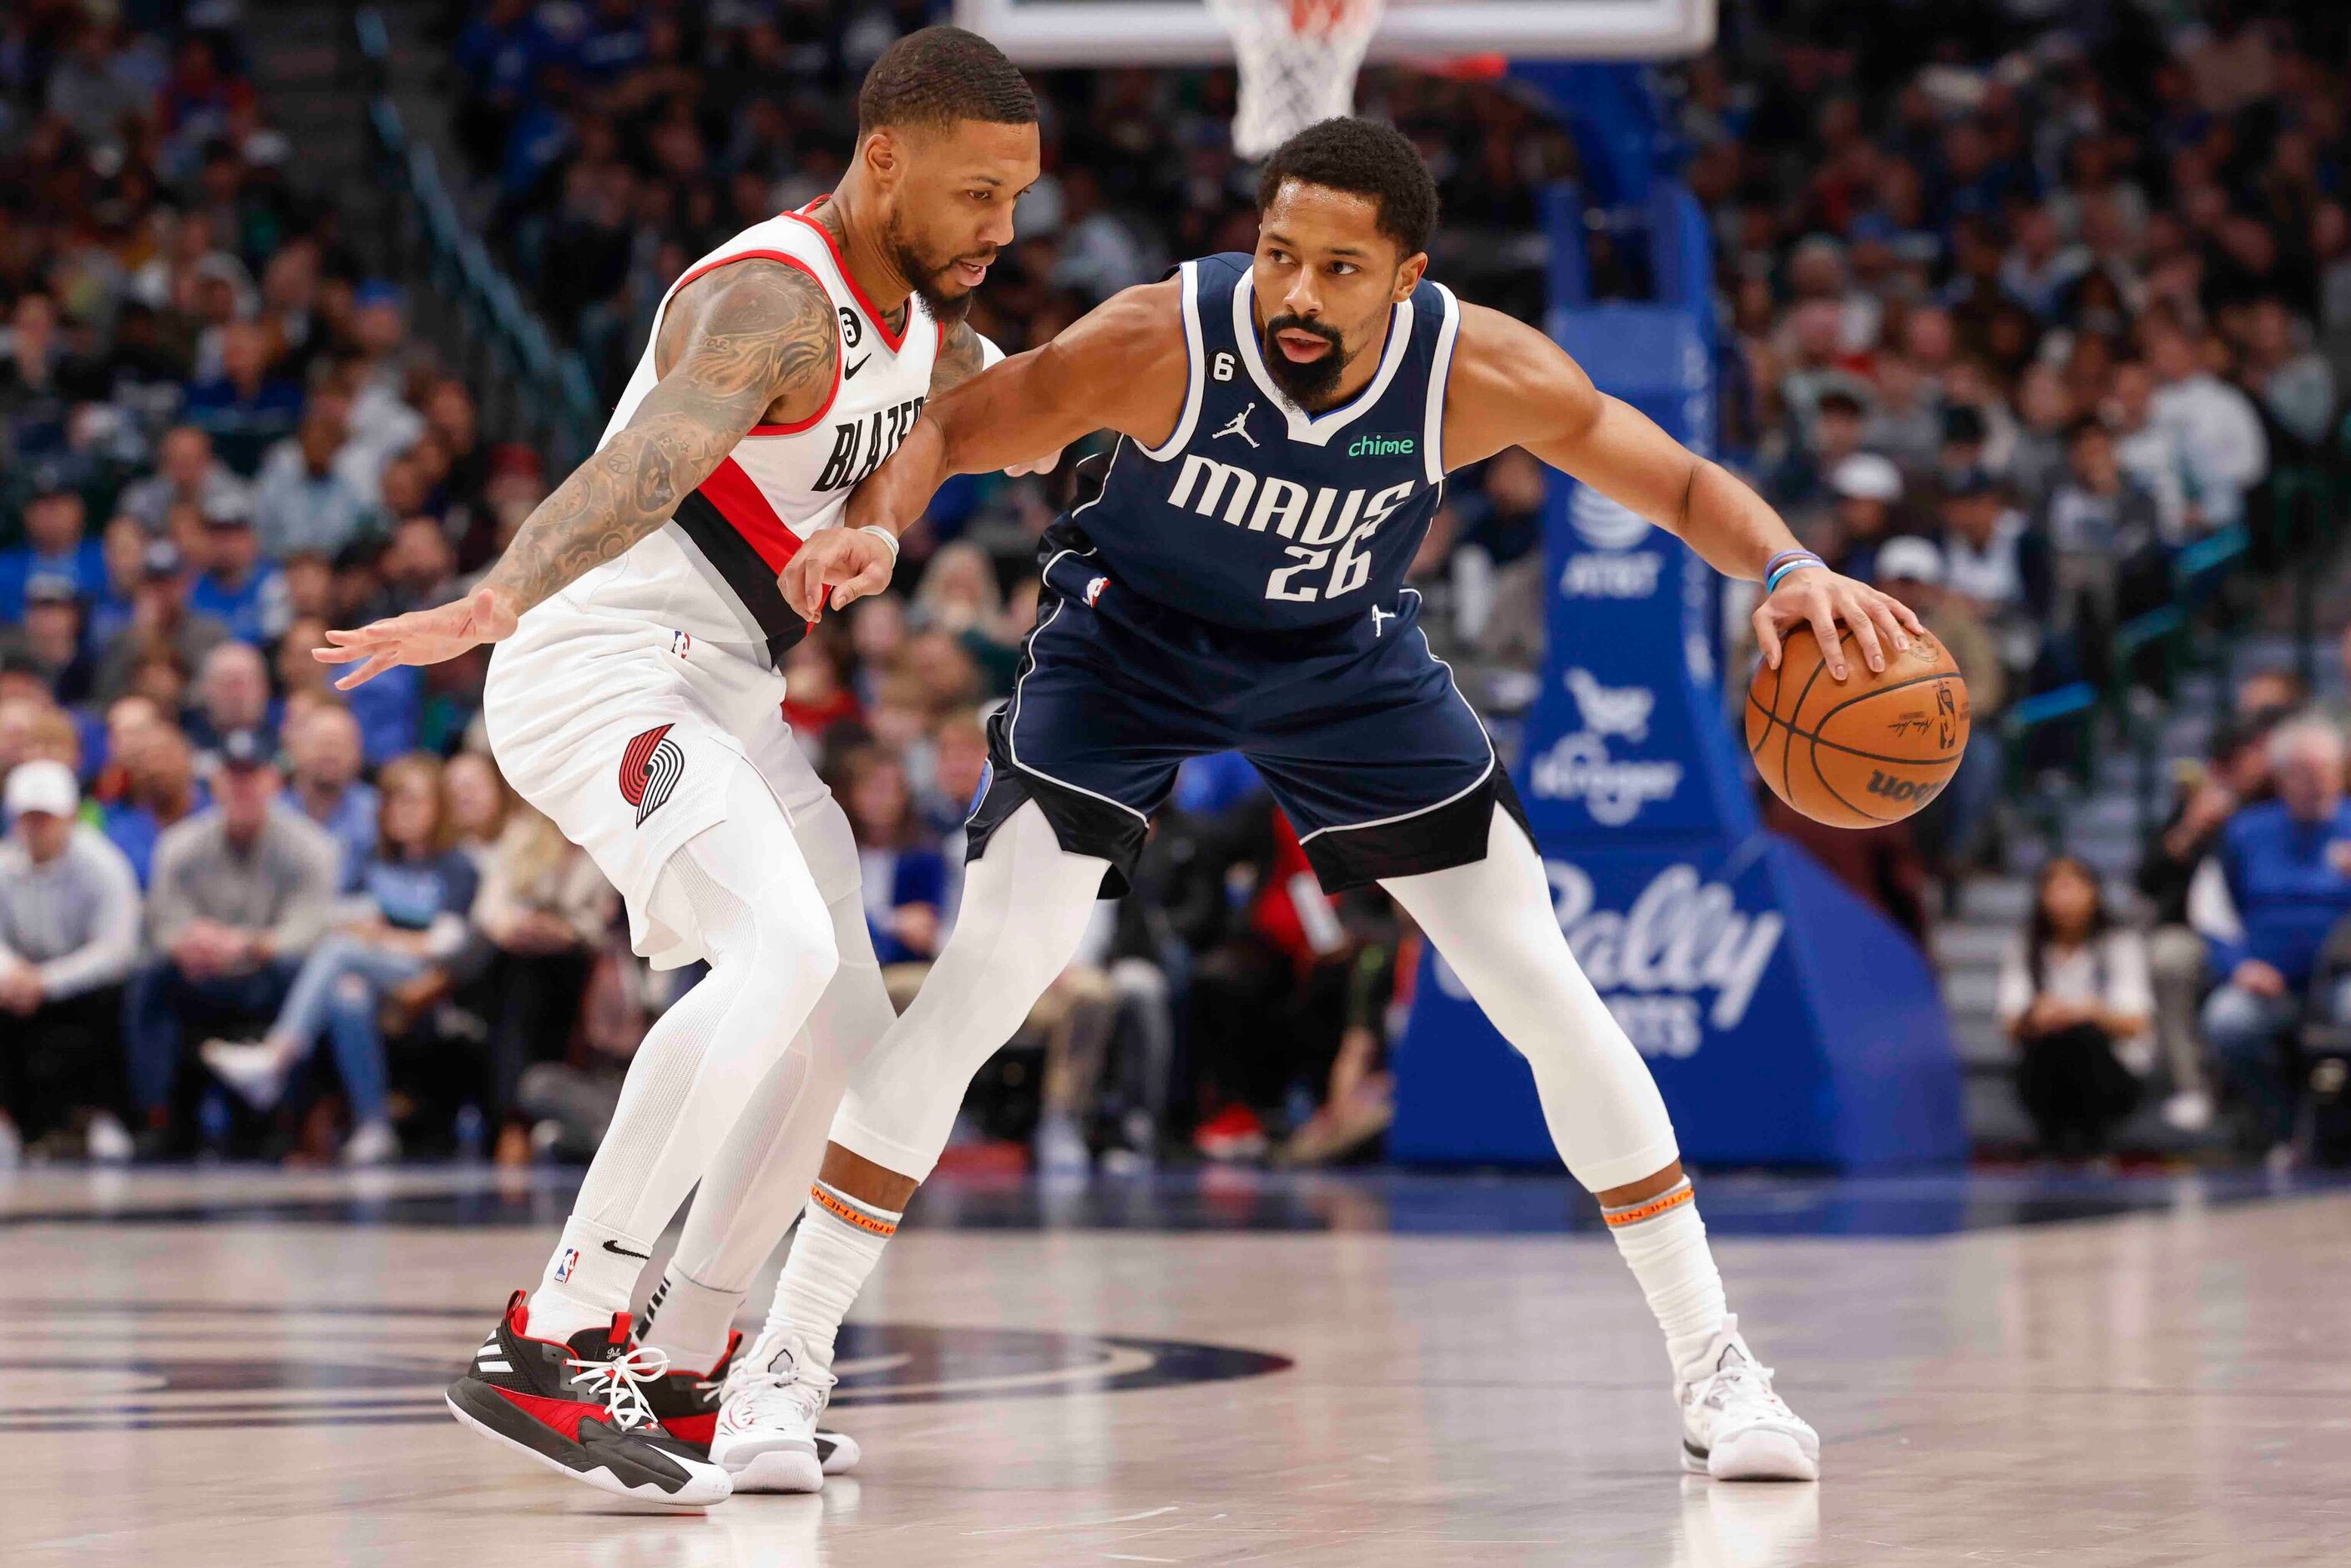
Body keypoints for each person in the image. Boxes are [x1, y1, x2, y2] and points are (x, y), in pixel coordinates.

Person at [769, 118, 1928, 1485]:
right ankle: (784, 1366)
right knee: (988, 977)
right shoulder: (1162, 337)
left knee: (1541, 982)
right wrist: (884, 524)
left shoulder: (1473, 372)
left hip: (1342, 660)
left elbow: (1665, 477)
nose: (1299, 293)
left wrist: (1786, 563)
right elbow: (962, 421)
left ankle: (1715, 1364)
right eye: (1277, 256)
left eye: (1337, 267)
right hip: (1127, 647)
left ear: (1407, 274)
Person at [311, 26, 1046, 1502]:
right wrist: (500, 592)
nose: (999, 229)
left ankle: (688, 1359)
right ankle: (556, 1327)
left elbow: (997, 419)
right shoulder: (777, 298)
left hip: (728, 689)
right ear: (884, 157)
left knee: (847, 1032)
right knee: (768, 957)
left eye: (1016, 198)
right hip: (598, 662)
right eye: (976, 195)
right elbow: (644, 459)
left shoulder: (933, 328)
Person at [200, 755, 479, 1165]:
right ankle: (374, 1127)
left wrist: (383, 937)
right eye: (395, 802)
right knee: (348, 995)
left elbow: (447, 944)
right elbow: (339, 916)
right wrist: (373, 934)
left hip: (426, 983)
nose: (403, 812)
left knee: (341, 954)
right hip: (367, 972)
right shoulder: (373, 858)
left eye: (415, 802)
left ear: (439, 807)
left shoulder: (456, 866)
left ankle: (275, 1057)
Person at [124, 731, 340, 1156]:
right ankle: (157, 1115)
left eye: (253, 775)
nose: (243, 787)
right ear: (215, 784)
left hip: (265, 974)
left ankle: (288, 1121)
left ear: (274, 782)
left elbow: (310, 928)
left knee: (304, 974)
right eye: (233, 776)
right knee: (149, 977)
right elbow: (163, 921)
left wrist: (248, 944)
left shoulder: (313, 845)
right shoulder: (180, 844)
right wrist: (188, 941)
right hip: (202, 973)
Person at [2191, 718, 2351, 1171]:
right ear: (2280, 776)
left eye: (2327, 768)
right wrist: (2239, 966)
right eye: (2304, 769)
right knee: (2227, 1020)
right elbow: (2212, 910)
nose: (2318, 779)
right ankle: (2285, 1131)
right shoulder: (2246, 831)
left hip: (2341, 980)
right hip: (2269, 983)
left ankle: (2339, 1134)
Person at [0, 761, 141, 1166]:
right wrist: (11, 974)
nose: (37, 828)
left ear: (70, 817)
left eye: (46, 818)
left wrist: (46, 982)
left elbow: (116, 949)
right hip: (22, 985)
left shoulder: (104, 865)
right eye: (29, 818)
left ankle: (104, 1116)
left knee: (116, 996)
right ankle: (9, 1122)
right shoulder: (6, 866)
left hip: (84, 987)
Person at [1997, 857, 2151, 1161]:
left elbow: (2137, 1023)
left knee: (2083, 1035)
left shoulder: (2120, 944)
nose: (2064, 900)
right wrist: (2036, 1015)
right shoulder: (2024, 946)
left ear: (2094, 894)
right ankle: (2053, 1142)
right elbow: (2010, 1024)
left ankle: (2093, 1142)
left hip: (2111, 1073)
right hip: (2045, 1069)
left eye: (2072, 888)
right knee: (2050, 1039)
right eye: (2055, 889)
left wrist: (2090, 1012)